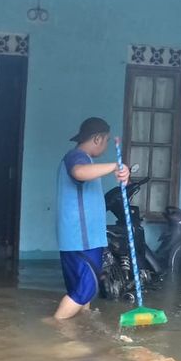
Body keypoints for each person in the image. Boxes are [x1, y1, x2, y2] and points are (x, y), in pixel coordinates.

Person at [54, 118, 129, 320]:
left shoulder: (82, 159)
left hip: (75, 238)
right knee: (87, 287)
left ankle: (82, 324)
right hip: (82, 238)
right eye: (104, 141)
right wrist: (115, 166)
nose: (104, 147)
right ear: (97, 138)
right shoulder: (77, 158)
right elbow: (79, 173)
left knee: (80, 290)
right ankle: (55, 326)